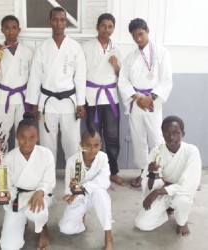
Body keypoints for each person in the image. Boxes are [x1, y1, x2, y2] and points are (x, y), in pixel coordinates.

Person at [26, 7, 86, 162]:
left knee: (72, 142)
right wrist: (33, 104)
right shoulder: (42, 48)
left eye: (62, 19)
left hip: (69, 102)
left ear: (66, 22)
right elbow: (35, 77)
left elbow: (80, 77)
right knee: (47, 144)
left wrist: (81, 103)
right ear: (50, 22)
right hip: (47, 102)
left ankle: (74, 178)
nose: (59, 23)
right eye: (55, 19)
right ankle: (48, 177)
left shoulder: (74, 47)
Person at [118, 18, 172, 187]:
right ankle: (142, 172)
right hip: (136, 104)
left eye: (140, 34)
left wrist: (151, 97)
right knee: (138, 139)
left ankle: (160, 173)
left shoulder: (161, 53)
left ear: (147, 30)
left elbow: (166, 81)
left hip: (152, 103)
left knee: (156, 139)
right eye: (134, 36)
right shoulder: (131, 57)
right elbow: (123, 81)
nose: (138, 39)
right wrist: (136, 97)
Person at [135, 116, 202, 236]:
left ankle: (182, 221)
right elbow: (150, 187)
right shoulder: (157, 151)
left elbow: (188, 185)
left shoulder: (191, 151)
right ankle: (166, 212)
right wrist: (152, 174)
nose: (171, 137)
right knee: (142, 224)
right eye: (167, 133)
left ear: (183, 134)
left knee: (183, 200)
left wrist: (157, 192)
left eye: (176, 133)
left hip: (180, 192)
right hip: (162, 191)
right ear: (162, 134)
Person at [0, 112, 56, 250]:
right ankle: (22, 221)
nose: (27, 143)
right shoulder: (7, 158)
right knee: (8, 246)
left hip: (39, 196)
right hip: (17, 199)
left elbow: (49, 181)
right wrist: (5, 195)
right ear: (17, 135)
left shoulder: (46, 154)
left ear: (37, 137)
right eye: (22, 137)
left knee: (39, 211)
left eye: (32, 138)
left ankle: (43, 228)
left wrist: (40, 192)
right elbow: (6, 187)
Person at [83, 13, 124, 186]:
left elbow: (123, 76)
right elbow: (79, 75)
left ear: (113, 28)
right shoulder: (86, 47)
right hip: (91, 96)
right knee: (93, 136)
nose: (107, 30)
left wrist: (115, 66)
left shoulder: (117, 49)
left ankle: (113, 171)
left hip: (110, 97)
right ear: (97, 27)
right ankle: (93, 171)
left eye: (110, 26)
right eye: (103, 26)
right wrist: (80, 101)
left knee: (112, 136)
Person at [0, 15, 33, 163]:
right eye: (7, 28)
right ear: (2, 30)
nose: (11, 31)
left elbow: (33, 77)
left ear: (19, 30)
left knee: (24, 134)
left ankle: (22, 167)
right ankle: (2, 173)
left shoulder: (27, 51)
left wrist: (32, 101)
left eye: (14, 28)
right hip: (4, 97)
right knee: (2, 135)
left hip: (23, 97)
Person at [59, 129, 114, 250]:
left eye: (96, 146)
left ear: (100, 145)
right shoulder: (73, 161)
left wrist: (83, 188)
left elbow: (105, 181)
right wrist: (72, 193)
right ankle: (81, 216)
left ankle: (108, 236)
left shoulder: (103, 158)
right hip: (78, 197)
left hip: (94, 195)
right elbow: (70, 188)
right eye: (88, 146)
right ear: (81, 145)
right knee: (66, 228)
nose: (92, 150)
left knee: (101, 194)